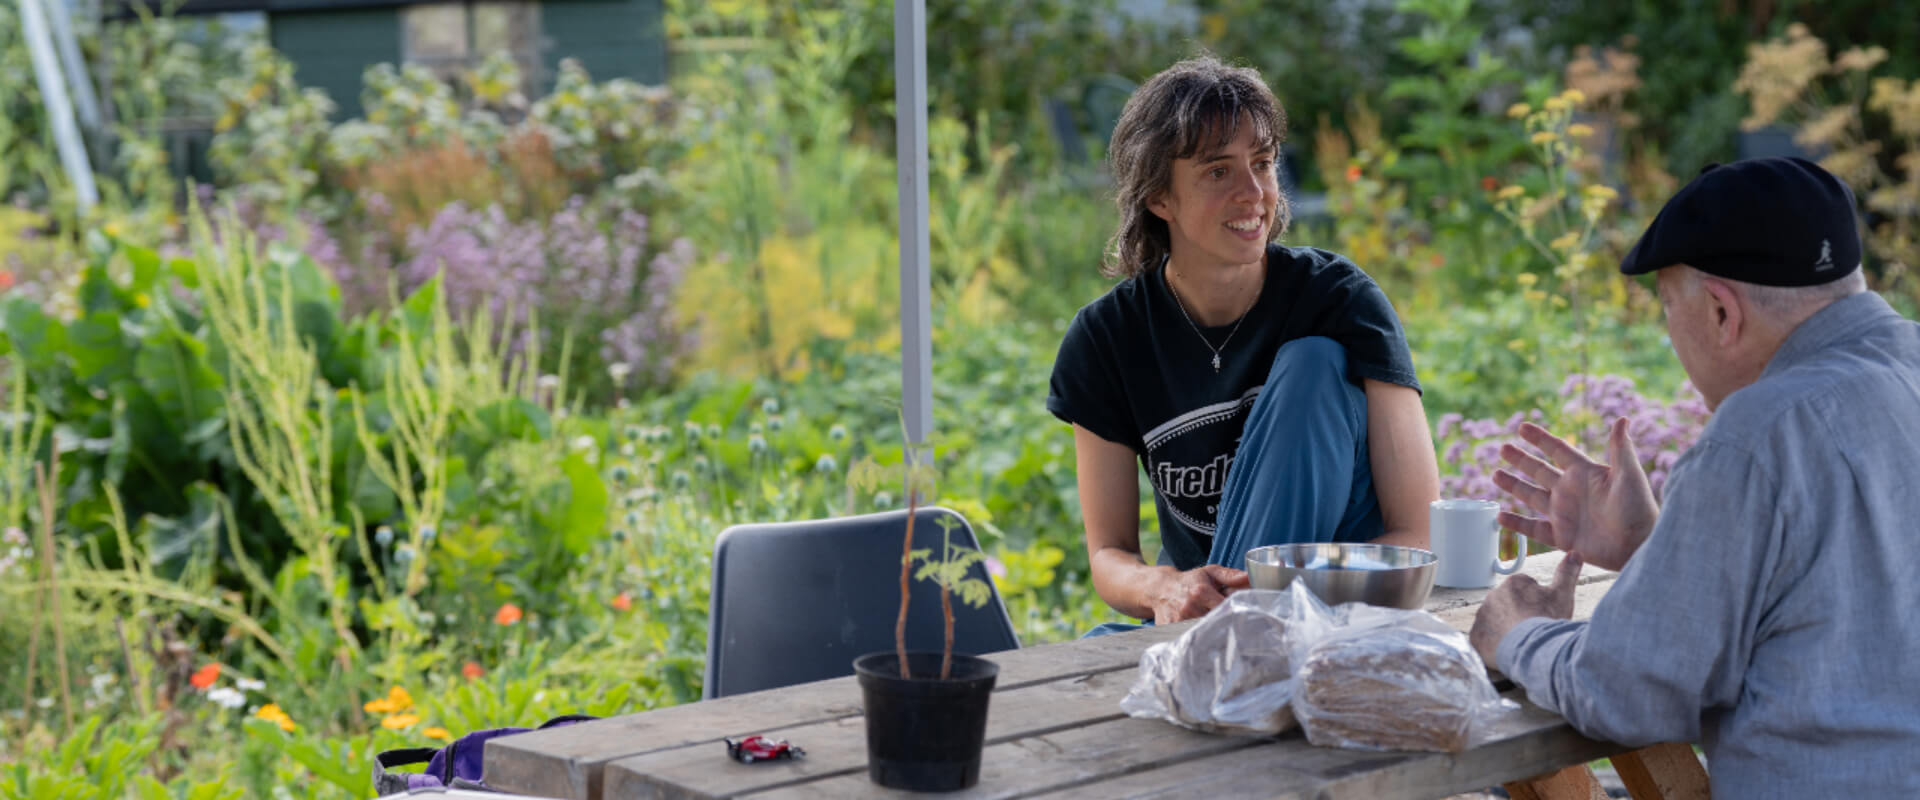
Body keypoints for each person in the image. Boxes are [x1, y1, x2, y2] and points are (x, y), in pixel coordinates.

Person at [1470, 156, 1920, 796]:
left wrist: (1515, 634)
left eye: (1666, 307)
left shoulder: (1759, 435)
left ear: (1719, 312)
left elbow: (1626, 692)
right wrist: (1658, 547)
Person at [1047, 56, 1440, 631]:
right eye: (1217, 172)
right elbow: (1109, 556)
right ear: (1159, 197)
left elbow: (1418, 529)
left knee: (1313, 362)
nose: (1254, 193)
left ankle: (1231, 639)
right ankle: (1227, 639)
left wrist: (1282, 594)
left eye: (1263, 163)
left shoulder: (1339, 300)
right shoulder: (1108, 338)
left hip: (1340, 609)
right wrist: (1165, 586)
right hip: (1204, 613)